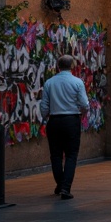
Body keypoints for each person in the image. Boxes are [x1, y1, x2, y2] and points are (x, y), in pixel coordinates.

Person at [41, 53, 89, 200]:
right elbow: (85, 104)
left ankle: (60, 183)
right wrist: (82, 113)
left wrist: (46, 116)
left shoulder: (49, 83)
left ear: (58, 66)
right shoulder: (77, 82)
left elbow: (44, 106)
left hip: (54, 121)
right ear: (72, 66)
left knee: (55, 155)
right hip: (71, 120)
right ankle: (65, 188)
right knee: (71, 155)